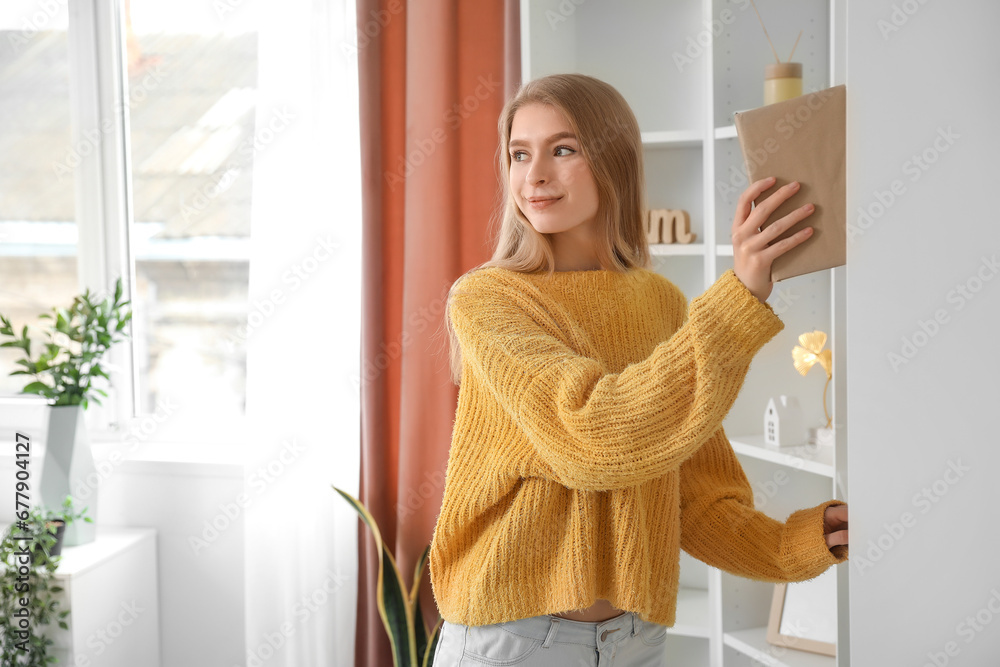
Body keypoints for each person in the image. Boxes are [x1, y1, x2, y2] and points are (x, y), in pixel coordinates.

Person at [428, 73, 849, 667]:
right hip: (514, 642)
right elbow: (592, 437)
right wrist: (739, 299)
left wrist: (801, 541)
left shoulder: (661, 303)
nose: (534, 175)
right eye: (519, 154)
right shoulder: (488, 300)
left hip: (634, 640)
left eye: (563, 149)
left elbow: (697, 498)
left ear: (614, 159)